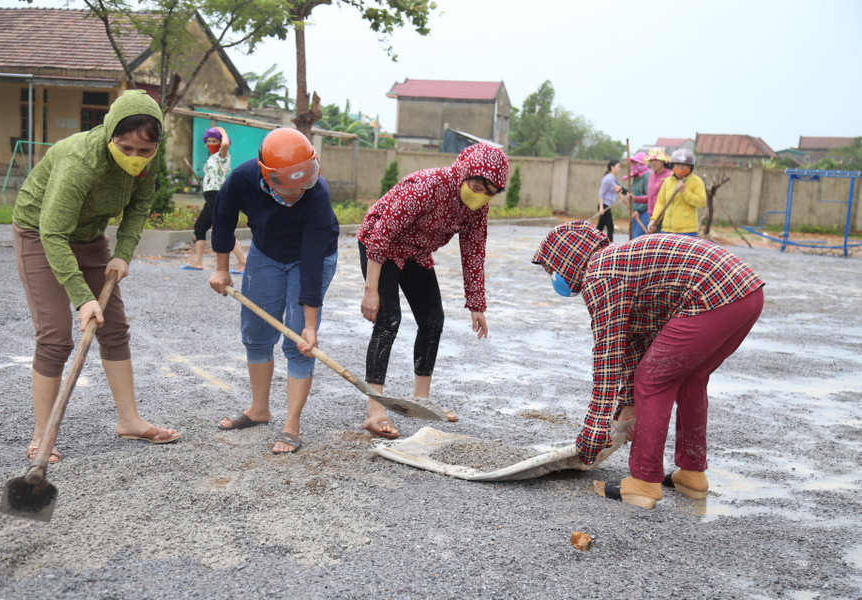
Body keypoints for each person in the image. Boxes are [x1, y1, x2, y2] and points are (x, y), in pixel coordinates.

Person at [532, 221, 764, 509]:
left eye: (551, 269)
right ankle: (692, 473)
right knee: (691, 379)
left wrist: (593, 434)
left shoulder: (600, 275)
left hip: (713, 294)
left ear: (569, 256)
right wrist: (630, 407)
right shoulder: (616, 262)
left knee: (652, 380)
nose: (554, 277)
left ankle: (644, 483)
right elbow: (634, 342)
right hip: (746, 293)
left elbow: (608, 359)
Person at [12, 89, 181, 464]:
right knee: (56, 336)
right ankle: (43, 435)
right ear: (110, 136)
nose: (135, 158)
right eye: (126, 148)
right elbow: (52, 232)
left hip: (89, 235)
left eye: (145, 151)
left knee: (115, 329)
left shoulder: (148, 161)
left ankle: (130, 420)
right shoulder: (80, 161)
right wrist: (81, 295)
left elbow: (139, 206)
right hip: (40, 234)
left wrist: (122, 254)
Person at [356, 142, 510, 438]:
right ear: (465, 172)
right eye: (478, 185)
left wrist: (477, 305)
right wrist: (370, 290)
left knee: (433, 320)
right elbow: (383, 232)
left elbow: (474, 253)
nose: (480, 195)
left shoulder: (477, 210)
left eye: (489, 191)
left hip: (416, 252)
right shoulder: (428, 185)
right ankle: (374, 409)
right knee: (388, 320)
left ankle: (420, 400)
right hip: (381, 245)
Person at [209, 128, 338, 455]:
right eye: (288, 186)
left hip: (309, 258)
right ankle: (259, 408)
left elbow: (311, 264)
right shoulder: (242, 179)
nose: (298, 192)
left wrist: (310, 326)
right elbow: (223, 220)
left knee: (298, 341)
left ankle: (291, 423)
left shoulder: (317, 195)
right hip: (266, 253)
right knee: (256, 332)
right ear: (267, 177)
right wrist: (222, 268)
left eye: (303, 183)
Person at [181, 127, 247, 272]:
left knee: (223, 229)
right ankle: (197, 262)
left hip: (217, 195)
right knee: (200, 227)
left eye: (214, 141)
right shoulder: (211, 158)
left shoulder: (222, 156)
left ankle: (243, 261)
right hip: (210, 197)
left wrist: (223, 131)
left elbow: (225, 145)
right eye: (208, 141)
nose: (210, 143)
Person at [648, 148, 706, 236]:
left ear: (690, 167)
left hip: (687, 231)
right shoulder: (668, 181)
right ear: (672, 166)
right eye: (677, 165)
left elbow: (701, 202)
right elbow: (661, 203)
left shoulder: (696, 181)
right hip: (667, 229)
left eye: (684, 165)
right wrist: (654, 220)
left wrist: (685, 191)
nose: (680, 168)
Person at [632, 147, 672, 224]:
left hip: (664, 217)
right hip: (652, 216)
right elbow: (650, 197)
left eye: (657, 160)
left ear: (663, 161)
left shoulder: (669, 176)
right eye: (652, 160)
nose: (654, 163)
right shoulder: (651, 176)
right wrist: (635, 199)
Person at [624, 152, 650, 238]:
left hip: (643, 213)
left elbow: (649, 197)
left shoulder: (646, 176)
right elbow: (634, 194)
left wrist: (638, 210)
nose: (634, 165)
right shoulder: (636, 177)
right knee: (633, 238)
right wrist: (623, 191)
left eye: (636, 163)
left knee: (639, 238)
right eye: (633, 163)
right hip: (635, 213)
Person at [597, 160, 624, 241]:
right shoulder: (607, 179)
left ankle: (592, 241)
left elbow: (618, 190)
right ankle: (610, 243)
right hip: (604, 205)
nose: (620, 169)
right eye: (618, 166)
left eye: (620, 167)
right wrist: (601, 208)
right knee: (610, 226)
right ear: (612, 167)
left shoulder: (616, 179)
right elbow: (601, 194)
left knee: (600, 227)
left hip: (608, 206)